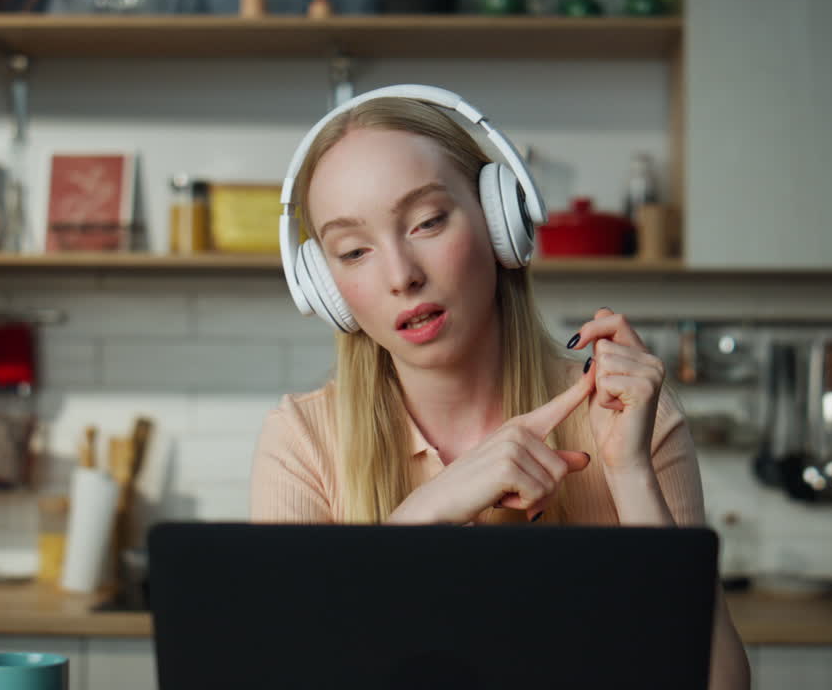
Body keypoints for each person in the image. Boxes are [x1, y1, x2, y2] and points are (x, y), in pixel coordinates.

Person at [251, 87, 750, 689]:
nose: (401, 275)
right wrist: (429, 514)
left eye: (429, 221)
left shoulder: (627, 415)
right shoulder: (305, 440)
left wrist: (630, 476)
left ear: (499, 222)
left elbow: (718, 685)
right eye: (354, 251)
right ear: (328, 291)